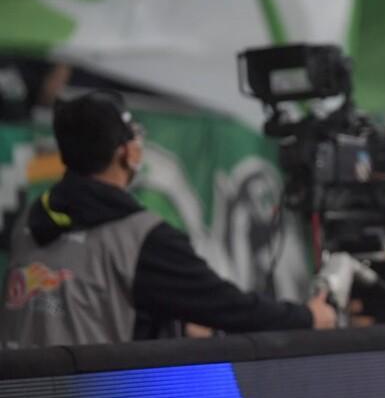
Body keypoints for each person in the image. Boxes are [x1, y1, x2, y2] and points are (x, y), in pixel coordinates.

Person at [0, 91, 336, 348]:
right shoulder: (141, 238)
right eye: (134, 134)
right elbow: (230, 307)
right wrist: (308, 317)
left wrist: (174, 323)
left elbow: (87, 310)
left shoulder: (30, 220)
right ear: (126, 152)